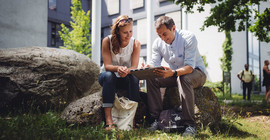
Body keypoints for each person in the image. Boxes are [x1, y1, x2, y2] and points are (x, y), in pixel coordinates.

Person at [142, 16, 207, 137]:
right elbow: (154, 65)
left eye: (164, 34)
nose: (162, 38)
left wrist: (173, 73)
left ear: (173, 28)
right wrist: (147, 67)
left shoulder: (188, 37)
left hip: (197, 73)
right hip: (175, 74)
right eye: (159, 35)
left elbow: (189, 67)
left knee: (183, 78)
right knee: (152, 77)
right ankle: (156, 120)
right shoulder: (158, 43)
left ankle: (190, 125)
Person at [98, 15, 141, 131]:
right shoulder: (107, 41)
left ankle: (131, 121)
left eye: (131, 31)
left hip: (125, 76)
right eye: (125, 32)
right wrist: (118, 69)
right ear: (117, 32)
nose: (129, 35)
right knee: (108, 76)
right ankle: (109, 121)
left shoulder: (136, 44)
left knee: (134, 78)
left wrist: (127, 71)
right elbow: (107, 66)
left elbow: (134, 67)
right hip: (108, 77)